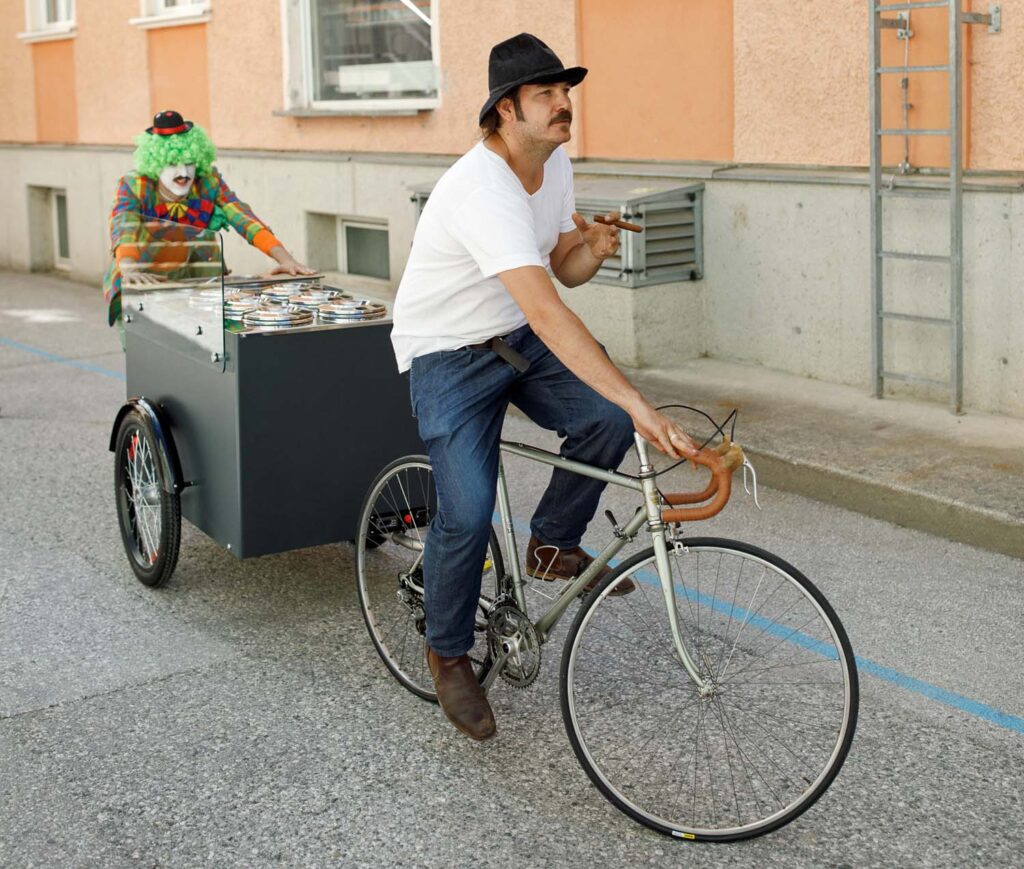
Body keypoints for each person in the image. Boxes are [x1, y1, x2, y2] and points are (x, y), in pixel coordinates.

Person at [390, 33, 698, 742]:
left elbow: (561, 268)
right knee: (466, 513)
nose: (565, 106)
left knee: (604, 421)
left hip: (512, 334)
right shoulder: (480, 188)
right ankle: (446, 653)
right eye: (547, 95)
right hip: (447, 352)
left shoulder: (552, 162)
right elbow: (549, 310)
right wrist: (636, 397)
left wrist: (586, 247)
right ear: (504, 111)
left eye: (567, 92)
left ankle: (553, 543)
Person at [102, 110, 314, 337]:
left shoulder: (208, 182)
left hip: (197, 281)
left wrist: (285, 259)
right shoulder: (135, 184)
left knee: (203, 347)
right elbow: (124, 222)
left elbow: (241, 216)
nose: (183, 173)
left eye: (189, 163)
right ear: (155, 164)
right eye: (172, 163)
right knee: (148, 353)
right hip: (143, 280)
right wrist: (129, 266)